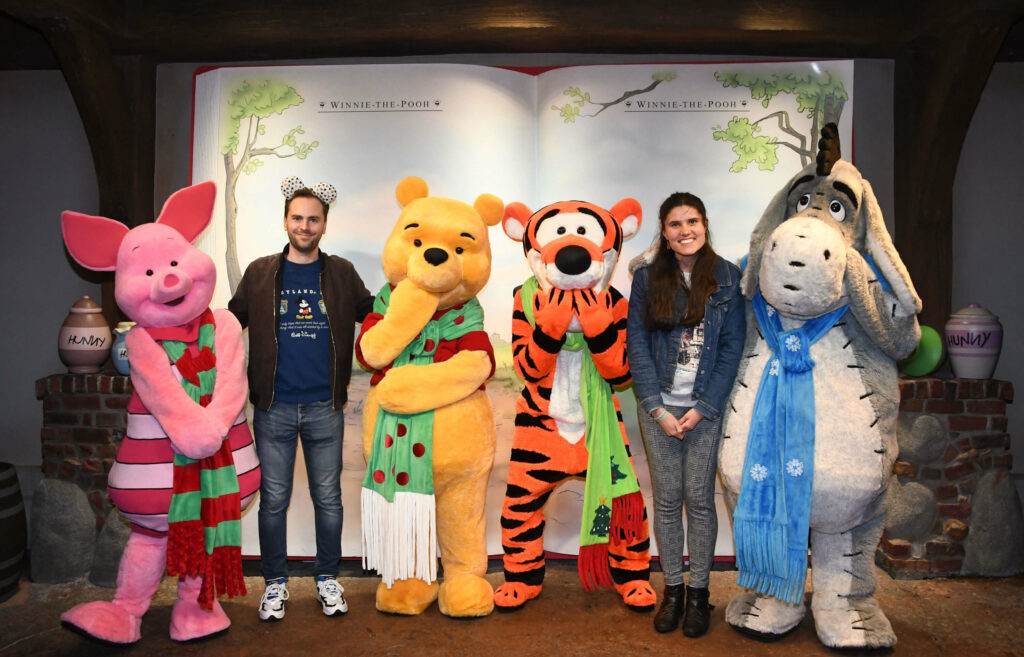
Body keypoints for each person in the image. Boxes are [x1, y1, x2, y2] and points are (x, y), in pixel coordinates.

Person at [228, 177, 374, 622]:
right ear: (286, 221)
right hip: (272, 408)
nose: (305, 226)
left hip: (324, 408)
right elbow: (229, 325)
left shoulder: (343, 273)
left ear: (324, 224)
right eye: (298, 218)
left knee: (328, 499)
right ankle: (274, 584)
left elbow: (376, 316)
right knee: (273, 501)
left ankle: (327, 579)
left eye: (313, 219)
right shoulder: (259, 272)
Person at [626, 192, 745, 637]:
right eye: (675, 224)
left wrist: (704, 408)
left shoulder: (728, 277)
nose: (685, 230)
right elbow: (636, 341)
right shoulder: (646, 277)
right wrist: (656, 408)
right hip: (658, 407)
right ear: (665, 232)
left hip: (704, 410)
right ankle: (672, 591)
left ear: (705, 224)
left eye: (692, 221)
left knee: (698, 498)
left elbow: (732, 347)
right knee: (667, 499)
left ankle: (699, 595)